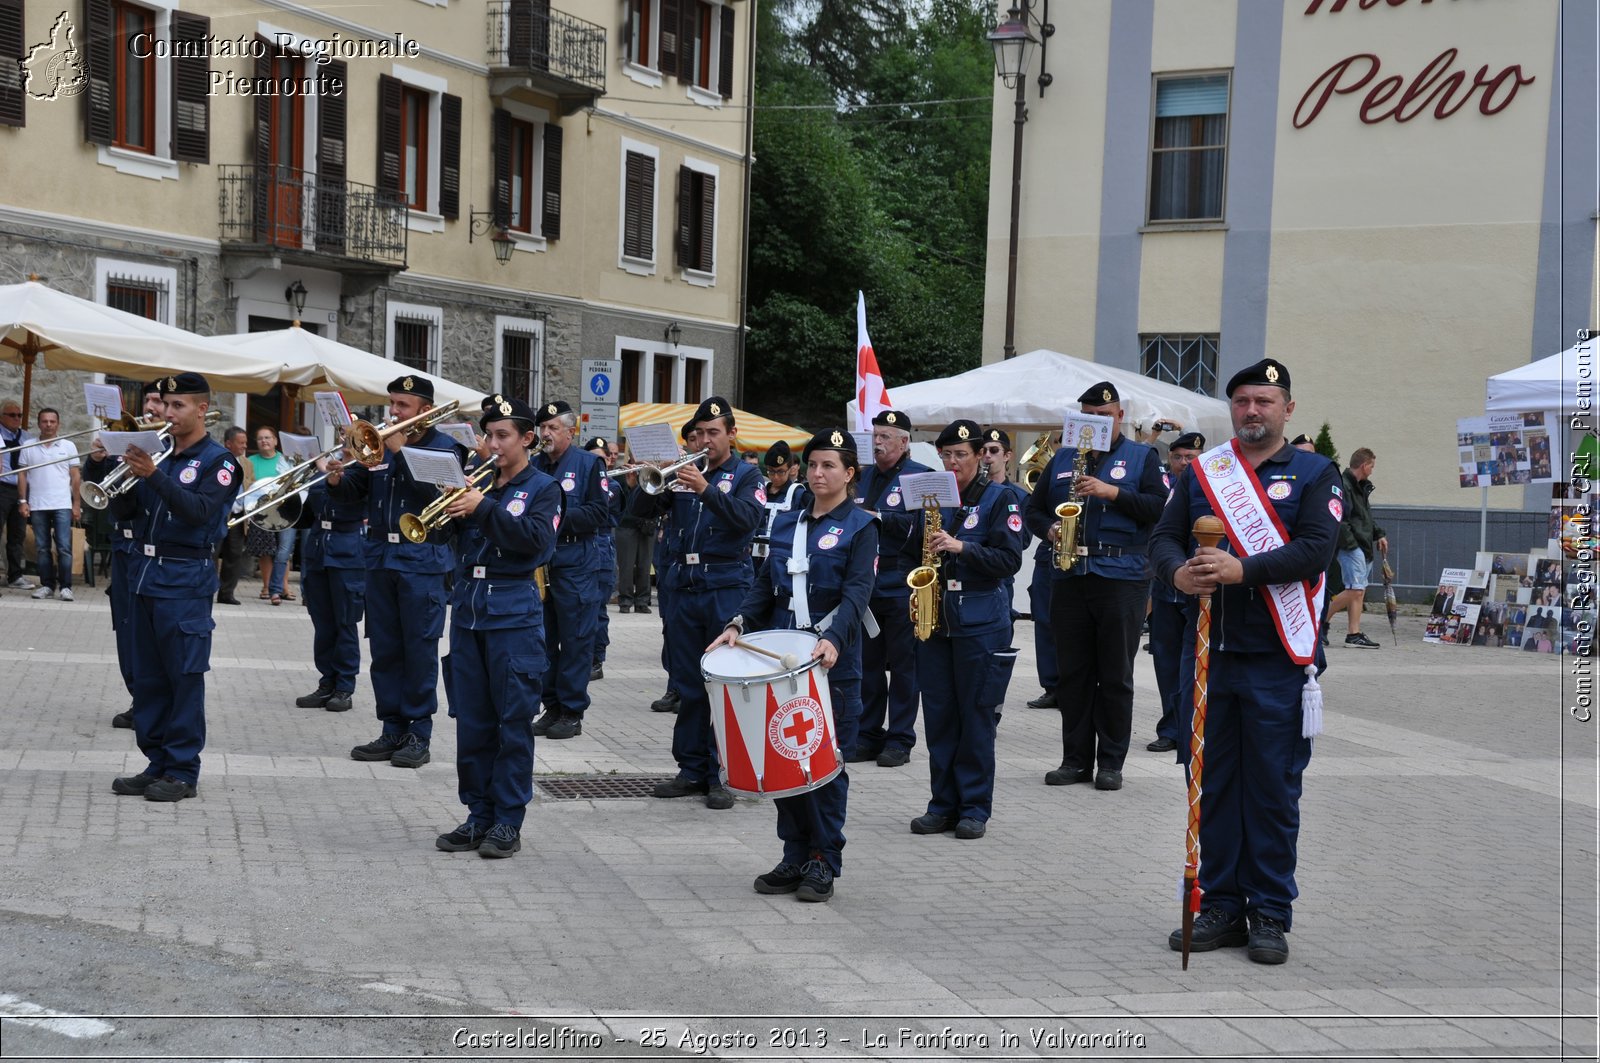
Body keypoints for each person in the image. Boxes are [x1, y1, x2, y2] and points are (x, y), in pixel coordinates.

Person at [1150, 357, 1340, 965]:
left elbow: (1315, 550)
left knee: (1271, 792)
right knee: (1209, 784)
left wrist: (1243, 570)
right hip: (1205, 652)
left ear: (1288, 408)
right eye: (1242, 402)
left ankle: (1270, 914)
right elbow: (1162, 538)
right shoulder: (1206, 472)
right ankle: (1222, 905)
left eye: (1265, 400)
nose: (1252, 411)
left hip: (1276, 660)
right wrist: (1178, 573)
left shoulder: (1315, 472)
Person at [709, 429, 877, 901]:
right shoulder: (787, 523)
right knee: (785, 757)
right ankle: (794, 854)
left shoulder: (862, 527)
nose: (819, 473)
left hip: (829, 663)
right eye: (814, 465)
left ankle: (824, 859)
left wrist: (834, 640)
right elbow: (765, 585)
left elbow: (857, 591)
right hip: (782, 660)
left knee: (824, 763)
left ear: (850, 473)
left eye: (829, 465)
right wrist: (737, 624)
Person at [435, 395, 562, 859]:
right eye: (487, 435)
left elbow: (534, 543)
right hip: (468, 609)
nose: (492, 444)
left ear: (528, 438)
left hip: (513, 610)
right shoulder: (480, 483)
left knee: (511, 723)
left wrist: (482, 509)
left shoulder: (544, 488)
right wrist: (447, 506)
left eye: (502, 435)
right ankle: (478, 814)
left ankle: (508, 821)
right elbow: (441, 540)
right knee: (472, 722)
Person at [1024, 382, 1166, 791]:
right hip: (1069, 575)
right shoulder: (1065, 457)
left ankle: (1111, 763)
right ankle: (1075, 760)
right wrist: (1049, 529)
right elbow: (1033, 510)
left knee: (1115, 674)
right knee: (1074, 673)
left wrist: (1113, 492)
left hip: (1121, 577)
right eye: (1089, 416)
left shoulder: (1142, 457)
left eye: (1105, 416)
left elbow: (1158, 509)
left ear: (1120, 415)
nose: (1098, 423)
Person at [109, 373, 242, 802]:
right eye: (165, 405)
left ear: (201, 409)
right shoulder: (159, 453)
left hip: (185, 580)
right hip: (144, 577)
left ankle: (183, 770)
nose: (166, 413)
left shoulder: (219, 462)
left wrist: (152, 476)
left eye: (178, 406)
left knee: (183, 677)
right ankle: (157, 762)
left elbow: (199, 513)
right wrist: (108, 470)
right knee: (148, 678)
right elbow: (127, 512)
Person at [325, 374, 469, 770]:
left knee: (419, 649)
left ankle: (418, 734)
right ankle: (391, 727)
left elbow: (442, 501)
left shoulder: (447, 449)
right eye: (392, 404)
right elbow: (354, 489)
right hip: (379, 558)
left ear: (425, 410)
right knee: (385, 648)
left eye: (402, 406)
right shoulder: (379, 445)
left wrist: (402, 450)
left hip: (423, 560)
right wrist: (338, 476)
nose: (393, 412)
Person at [633, 397, 765, 808]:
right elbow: (634, 515)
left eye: (713, 433)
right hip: (682, 586)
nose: (704, 441)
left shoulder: (747, 475)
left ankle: (722, 775)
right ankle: (691, 769)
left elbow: (747, 520)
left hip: (725, 586)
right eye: (699, 435)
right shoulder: (682, 475)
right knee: (689, 684)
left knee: (723, 686)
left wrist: (705, 489)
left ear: (731, 434)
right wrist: (646, 478)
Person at [904, 419, 1026, 839]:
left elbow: (1009, 561)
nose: (952, 462)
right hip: (936, 619)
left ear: (980, 456)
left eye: (961, 455)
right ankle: (942, 805)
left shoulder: (1000, 498)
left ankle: (974, 807)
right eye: (946, 455)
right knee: (939, 716)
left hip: (980, 619)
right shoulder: (932, 496)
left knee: (976, 717)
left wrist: (962, 547)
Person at [852, 409, 930, 768]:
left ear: (903, 442)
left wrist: (879, 519)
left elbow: (924, 529)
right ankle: (868, 734)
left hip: (901, 585)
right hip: (867, 586)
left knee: (903, 666)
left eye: (886, 437)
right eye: (875, 436)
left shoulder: (921, 477)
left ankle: (900, 738)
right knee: (867, 665)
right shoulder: (863, 477)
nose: (878, 443)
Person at [529, 402, 609, 740]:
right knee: (543, 638)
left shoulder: (590, 463)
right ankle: (552, 706)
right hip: (541, 561)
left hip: (576, 558)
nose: (545, 434)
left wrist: (554, 517)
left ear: (570, 432)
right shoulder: (533, 465)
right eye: (542, 427)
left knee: (576, 639)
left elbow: (599, 513)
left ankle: (572, 711)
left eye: (552, 428)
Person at [109, 381, 169, 729]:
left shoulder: (176, 453)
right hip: (125, 547)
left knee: (153, 631)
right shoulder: (129, 444)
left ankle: (155, 702)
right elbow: (118, 509)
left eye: (160, 402)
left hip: (155, 552)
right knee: (126, 627)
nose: (153, 407)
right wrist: (109, 464)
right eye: (148, 399)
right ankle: (138, 697)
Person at [295, 437, 366, 714]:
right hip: (318, 547)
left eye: (349, 437)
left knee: (344, 622)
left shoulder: (363, 472)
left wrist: (336, 474)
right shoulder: (325, 465)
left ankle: (344, 686)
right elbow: (308, 506)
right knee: (322, 623)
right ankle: (327, 681)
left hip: (347, 550)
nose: (343, 442)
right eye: (342, 436)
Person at [1145, 431, 1204, 754]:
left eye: (1190, 458)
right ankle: (1170, 727)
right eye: (1178, 457)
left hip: (1198, 589)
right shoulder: (1161, 488)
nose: (1183, 463)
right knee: (1166, 661)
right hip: (1166, 587)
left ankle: (1194, 724)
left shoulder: (1207, 487)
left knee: (1196, 661)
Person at [17, 408, 81, 602]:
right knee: (42, 548)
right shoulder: (28, 445)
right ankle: (47, 585)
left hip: (62, 503)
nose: (48, 425)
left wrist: (76, 503)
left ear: (58, 424)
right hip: (37, 503)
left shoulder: (68, 445)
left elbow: (76, 476)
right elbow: (22, 475)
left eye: (52, 421)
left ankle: (66, 587)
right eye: (44, 421)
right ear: (39, 424)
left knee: (64, 547)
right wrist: (22, 501)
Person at [1328, 447, 1387, 648]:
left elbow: (1365, 516)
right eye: (1372, 466)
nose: (1372, 470)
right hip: (1352, 546)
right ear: (1364, 465)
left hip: (1360, 545)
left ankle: (1353, 634)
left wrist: (1379, 534)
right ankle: (1320, 622)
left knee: (1358, 591)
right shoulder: (1344, 485)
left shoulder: (1360, 486)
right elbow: (1341, 519)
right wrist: (1352, 546)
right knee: (1355, 590)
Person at [583, 435, 619, 682]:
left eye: (602, 458)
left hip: (603, 546)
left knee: (599, 609)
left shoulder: (613, 485)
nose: (599, 463)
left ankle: (597, 659)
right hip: (585, 545)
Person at [248, 427, 295, 605]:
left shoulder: (285, 460)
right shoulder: (250, 461)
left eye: (267, 437)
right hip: (260, 511)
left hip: (284, 510)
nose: (264, 441)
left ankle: (284, 587)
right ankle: (267, 587)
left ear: (275, 441)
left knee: (285, 550)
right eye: (260, 438)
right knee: (266, 550)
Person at [753, 439, 805, 582]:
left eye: (781, 472)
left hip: (783, 560)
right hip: (754, 559)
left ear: (791, 469)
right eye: (771, 471)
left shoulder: (798, 494)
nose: (775, 477)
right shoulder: (760, 491)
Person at [214, 427, 255, 606]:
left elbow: (251, 485)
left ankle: (226, 593)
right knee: (212, 554)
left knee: (234, 555)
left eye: (246, 443)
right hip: (219, 515)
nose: (245, 446)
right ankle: (209, 589)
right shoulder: (217, 460)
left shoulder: (247, 464)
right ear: (228, 443)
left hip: (239, 517)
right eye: (241, 443)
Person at [614, 458, 656, 614]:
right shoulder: (621, 473)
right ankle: (625, 601)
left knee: (645, 566)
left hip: (647, 525)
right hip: (626, 524)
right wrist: (630, 486)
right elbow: (618, 500)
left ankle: (642, 601)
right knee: (626, 566)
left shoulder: (652, 471)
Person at [0, 398, 32, 589]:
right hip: (1, 486)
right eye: (12, 415)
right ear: (1, 416)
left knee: (17, 535)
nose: (17, 418)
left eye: (19, 415)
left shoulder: (26, 437)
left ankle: (15, 575)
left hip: (20, 490)